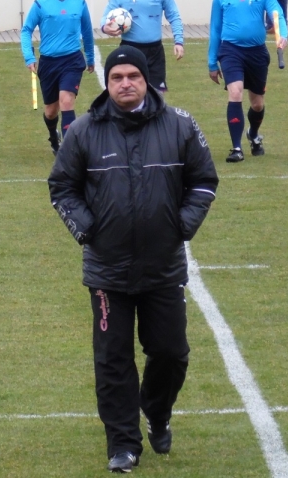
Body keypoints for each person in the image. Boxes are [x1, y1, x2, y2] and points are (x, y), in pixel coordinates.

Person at [48, 46, 218, 474]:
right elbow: (62, 187)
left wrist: (182, 226)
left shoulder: (180, 125)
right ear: (107, 83)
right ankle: (123, 444)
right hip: (108, 271)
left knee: (171, 353)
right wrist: (88, 230)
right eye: (117, 77)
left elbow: (203, 180)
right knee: (113, 360)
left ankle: (157, 412)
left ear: (146, 80)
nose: (125, 83)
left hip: (163, 267)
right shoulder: (83, 131)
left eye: (133, 76)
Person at [208, 0, 286, 163]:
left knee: (257, 104)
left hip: (257, 52)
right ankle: (236, 148)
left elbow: (277, 15)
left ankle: (253, 134)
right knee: (235, 93)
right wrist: (212, 62)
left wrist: (283, 36)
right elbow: (215, 30)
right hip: (230, 51)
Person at [20, 0, 95, 154]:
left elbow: (87, 32)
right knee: (51, 111)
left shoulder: (79, 2)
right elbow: (26, 30)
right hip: (48, 63)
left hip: (72, 60)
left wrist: (90, 57)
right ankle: (54, 136)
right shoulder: (40, 3)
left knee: (66, 101)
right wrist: (29, 57)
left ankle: (69, 151)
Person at [100, 0, 184, 93]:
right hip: (130, 49)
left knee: (157, 95)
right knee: (131, 93)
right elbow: (105, 17)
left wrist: (179, 41)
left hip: (155, 51)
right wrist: (105, 28)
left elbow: (174, 16)